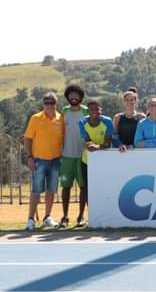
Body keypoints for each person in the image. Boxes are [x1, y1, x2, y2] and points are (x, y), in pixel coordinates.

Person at [23, 92, 64, 231]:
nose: (49, 105)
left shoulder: (61, 118)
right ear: (43, 104)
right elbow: (27, 138)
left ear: (56, 103)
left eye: (52, 102)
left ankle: (47, 217)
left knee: (51, 190)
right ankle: (30, 219)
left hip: (55, 160)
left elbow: (63, 139)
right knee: (35, 190)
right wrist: (29, 157)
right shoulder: (35, 118)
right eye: (46, 102)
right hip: (38, 160)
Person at [78, 100, 114, 226]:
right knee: (85, 189)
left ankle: (103, 216)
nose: (95, 112)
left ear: (101, 110)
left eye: (97, 110)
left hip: (104, 162)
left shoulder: (107, 121)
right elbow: (87, 142)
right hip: (87, 160)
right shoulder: (82, 122)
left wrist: (98, 147)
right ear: (88, 111)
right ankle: (83, 216)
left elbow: (108, 143)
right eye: (92, 110)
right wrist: (94, 145)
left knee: (103, 188)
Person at [59, 84, 87, 228]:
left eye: (76, 95)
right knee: (66, 187)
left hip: (82, 156)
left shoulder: (86, 112)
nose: (73, 98)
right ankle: (64, 217)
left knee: (83, 187)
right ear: (67, 97)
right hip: (67, 156)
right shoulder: (64, 111)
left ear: (80, 97)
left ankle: (81, 217)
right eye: (71, 95)